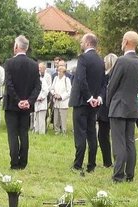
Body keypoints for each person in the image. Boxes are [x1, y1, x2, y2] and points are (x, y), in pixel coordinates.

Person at [107, 31, 138, 183]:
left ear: (126, 41)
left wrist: (109, 103)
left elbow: (112, 85)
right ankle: (130, 174)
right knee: (130, 141)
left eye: (123, 40)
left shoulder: (122, 61)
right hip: (132, 106)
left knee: (118, 142)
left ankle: (118, 175)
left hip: (118, 105)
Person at [4, 35, 42, 170]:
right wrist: (29, 101)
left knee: (13, 134)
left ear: (16, 47)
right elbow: (38, 86)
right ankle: (23, 162)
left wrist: (18, 100)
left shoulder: (9, 63)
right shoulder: (33, 64)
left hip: (12, 105)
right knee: (24, 133)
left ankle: (14, 162)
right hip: (26, 106)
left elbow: (9, 85)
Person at [70, 33, 105, 173]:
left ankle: (78, 163)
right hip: (95, 103)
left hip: (82, 101)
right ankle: (91, 164)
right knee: (91, 133)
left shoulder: (83, 58)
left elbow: (81, 79)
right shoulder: (100, 60)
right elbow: (104, 82)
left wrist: (88, 97)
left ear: (88, 43)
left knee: (80, 133)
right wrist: (98, 97)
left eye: (82, 41)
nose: (81, 43)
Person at [97, 53, 117, 169]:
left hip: (106, 110)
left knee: (103, 136)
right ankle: (108, 161)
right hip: (107, 109)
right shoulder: (111, 75)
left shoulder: (108, 76)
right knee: (104, 135)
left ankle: (108, 162)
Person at [51, 63, 71, 134]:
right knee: (56, 117)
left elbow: (69, 91)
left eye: (60, 71)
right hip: (56, 101)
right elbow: (52, 88)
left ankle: (64, 131)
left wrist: (61, 96)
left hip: (63, 102)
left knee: (63, 118)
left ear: (63, 72)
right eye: (58, 71)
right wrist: (54, 94)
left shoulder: (67, 80)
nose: (58, 72)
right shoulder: (56, 79)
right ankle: (56, 130)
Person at [33, 61, 52, 133]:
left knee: (41, 118)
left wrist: (41, 97)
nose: (39, 69)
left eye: (40, 68)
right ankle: (36, 130)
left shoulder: (43, 80)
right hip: (36, 100)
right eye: (38, 68)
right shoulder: (36, 78)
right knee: (36, 117)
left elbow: (46, 90)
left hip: (42, 100)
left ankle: (41, 132)